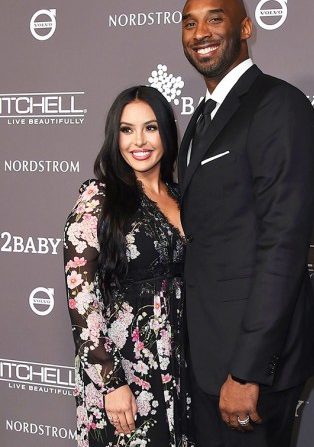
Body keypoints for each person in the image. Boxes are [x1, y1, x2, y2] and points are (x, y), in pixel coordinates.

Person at [178, 0, 314, 447]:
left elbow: (282, 244)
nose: (200, 32)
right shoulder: (202, 119)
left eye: (215, 18)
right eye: (189, 22)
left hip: (252, 365)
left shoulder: (278, 106)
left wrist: (246, 371)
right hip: (206, 354)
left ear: (245, 27)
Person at [64, 86, 194, 447]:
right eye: (127, 129)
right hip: (126, 369)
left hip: (183, 363)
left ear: (166, 132)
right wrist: (111, 382)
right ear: (114, 136)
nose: (139, 140)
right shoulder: (99, 199)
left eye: (150, 128)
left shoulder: (183, 196)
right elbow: (82, 298)